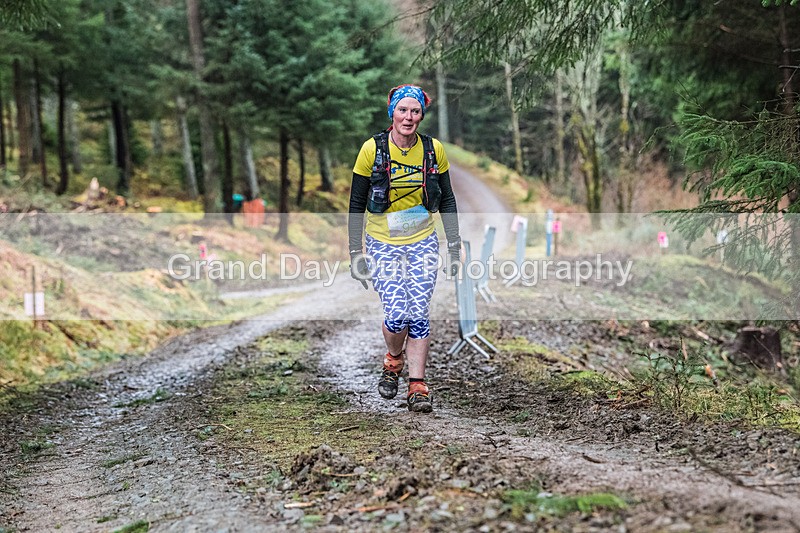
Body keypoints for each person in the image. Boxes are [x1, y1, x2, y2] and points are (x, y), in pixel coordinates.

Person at [348, 84, 461, 413]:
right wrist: (355, 252)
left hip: (423, 239)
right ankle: (393, 359)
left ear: (421, 115)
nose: (408, 117)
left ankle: (417, 385)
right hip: (382, 241)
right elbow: (356, 203)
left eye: (415, 111)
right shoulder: (372, 149)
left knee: (419, 313)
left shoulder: (432, 150)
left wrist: (454, 245)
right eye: (402, 110)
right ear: (392, 113)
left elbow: (447, 199)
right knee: (397, 314)